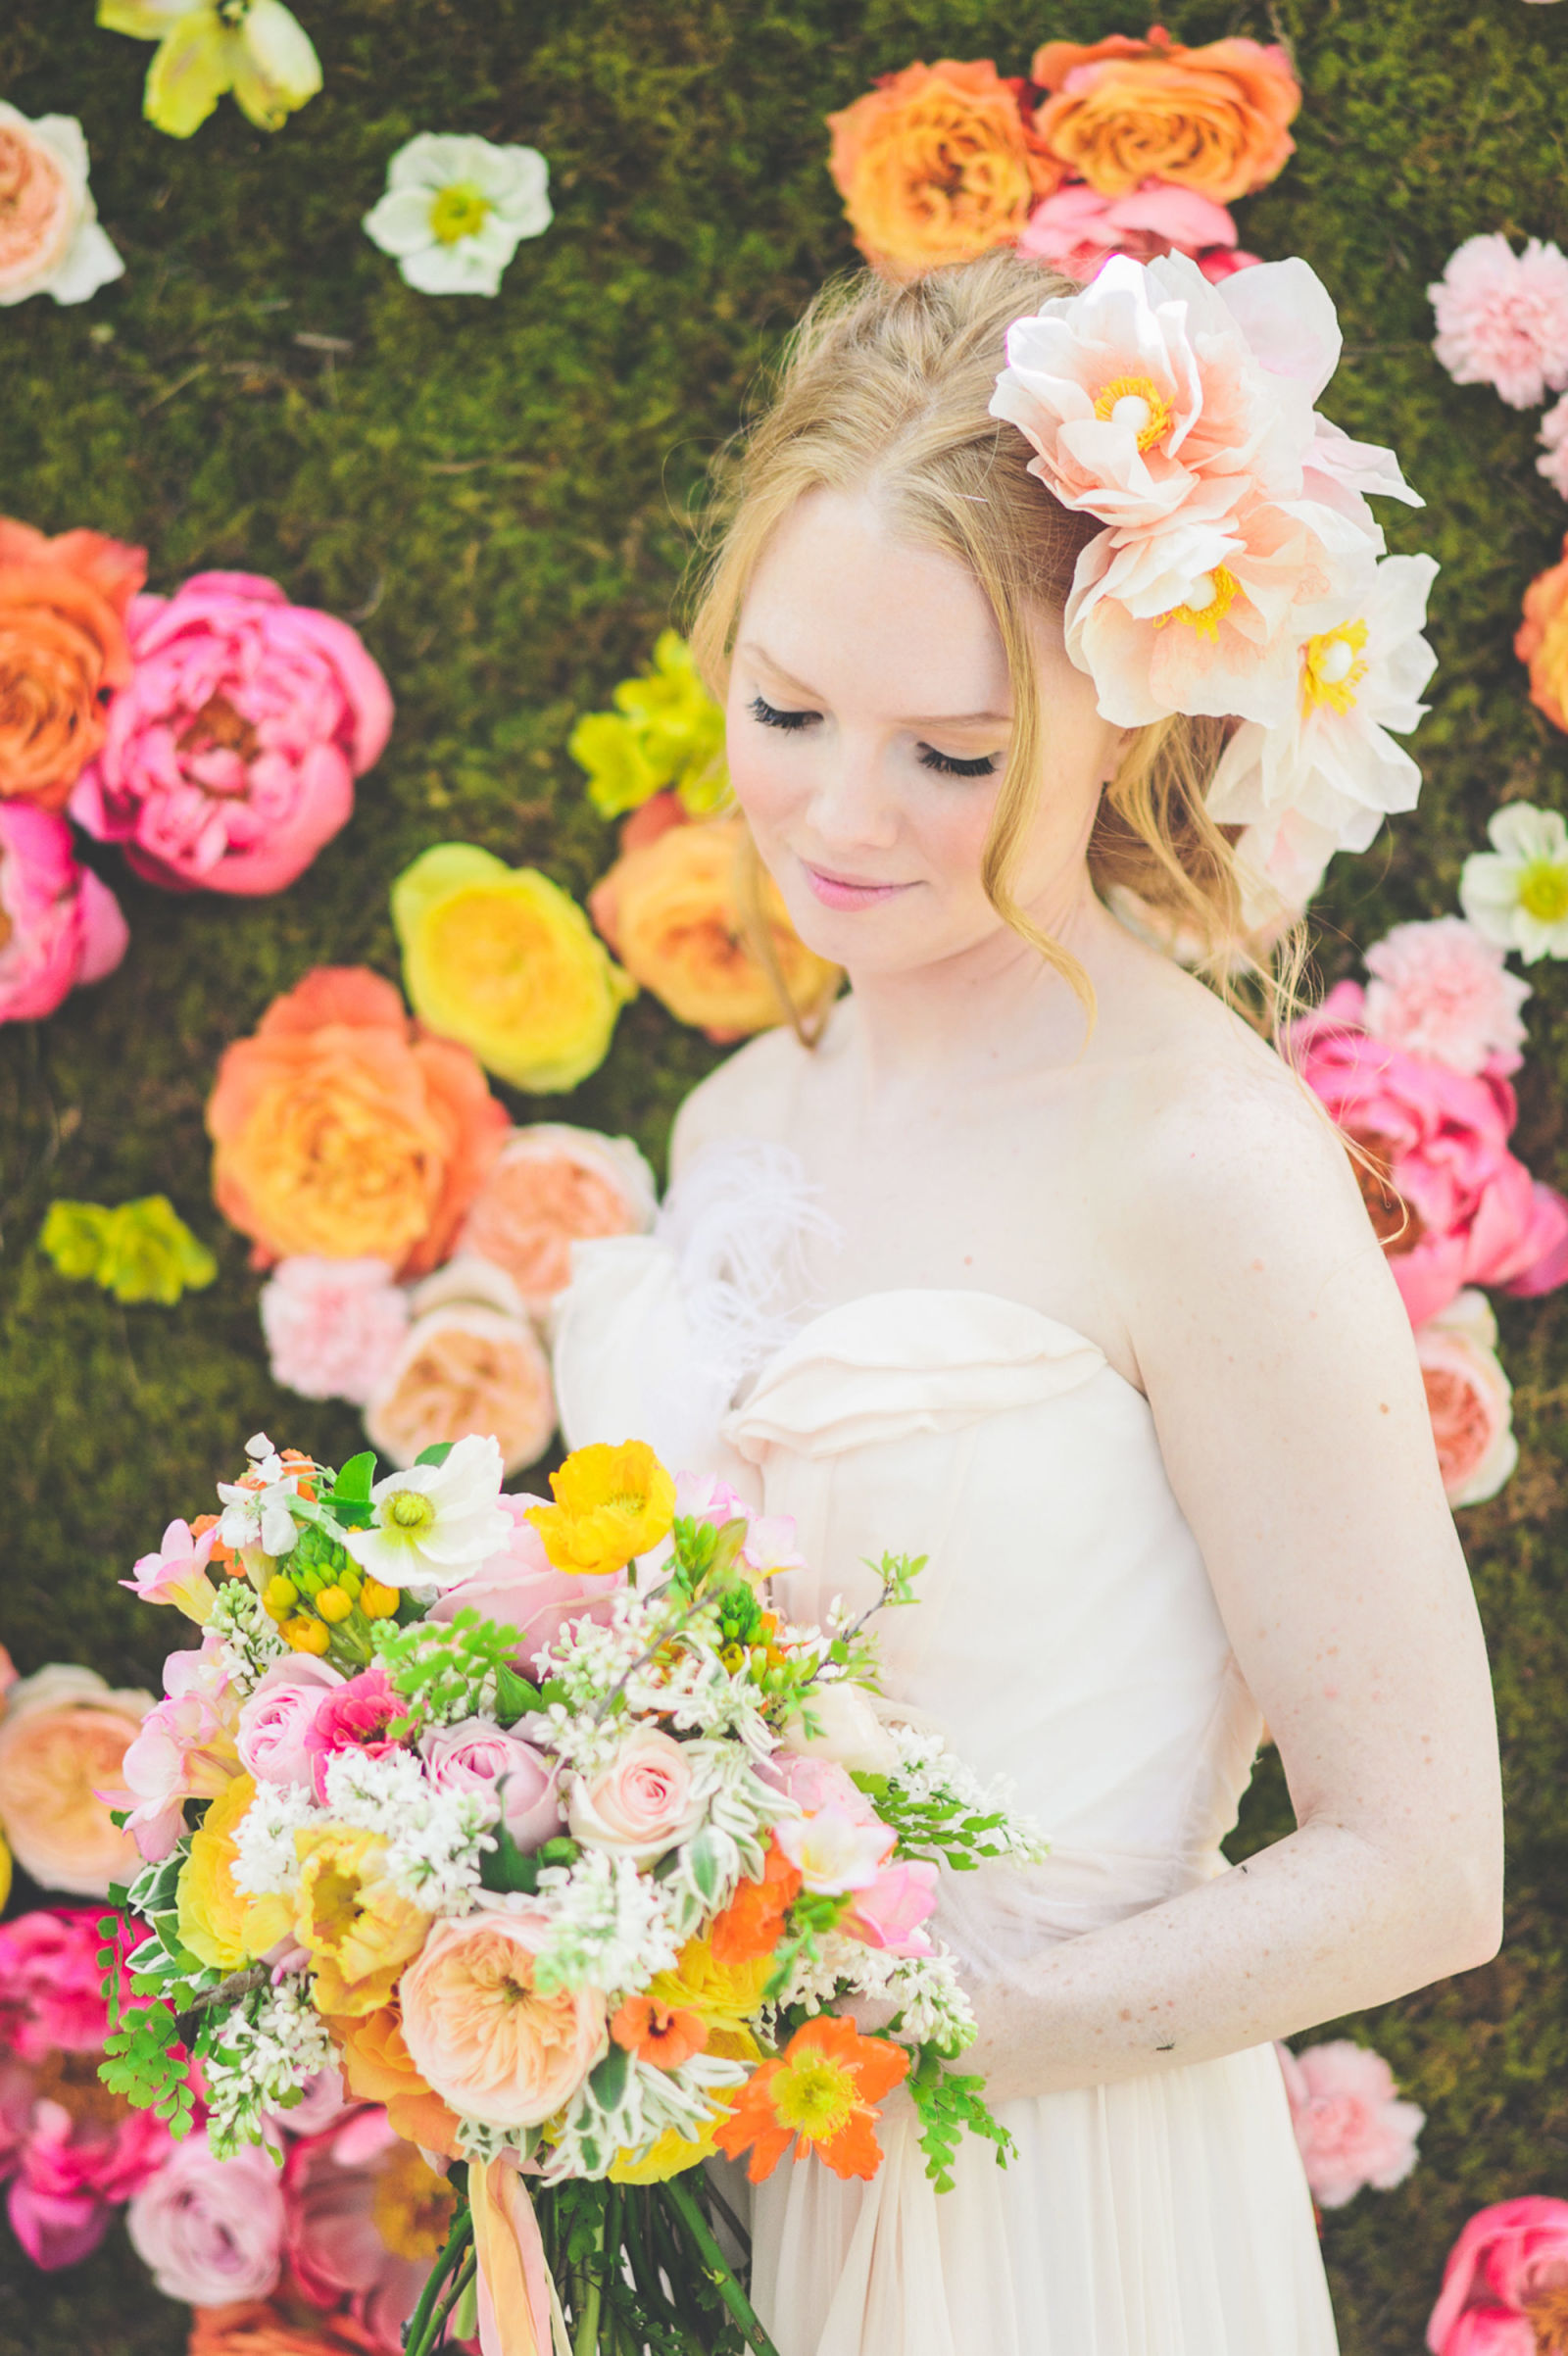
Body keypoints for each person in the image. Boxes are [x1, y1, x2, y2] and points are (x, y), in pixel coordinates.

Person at [552, 251, 1503, 2356]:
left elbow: (1423, 1857)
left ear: (1120, 718)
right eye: (785, 708)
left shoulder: (1197, 1161)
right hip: (697, 2190)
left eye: (952, 754)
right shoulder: (733, 1116)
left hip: (1045, 2205)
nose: (836, 811)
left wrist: (922, 2029)